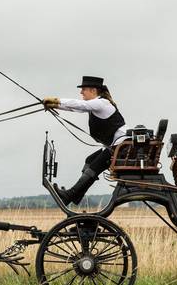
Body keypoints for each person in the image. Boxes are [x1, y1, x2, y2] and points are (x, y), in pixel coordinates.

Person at [42, 76, 127, 205]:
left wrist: (56, 100)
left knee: (94, 166)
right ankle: (76, 195)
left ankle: (70, 195)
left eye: (84, 89)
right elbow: (75, 108)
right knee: (90, 160)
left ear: (93, 90)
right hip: (116, 146)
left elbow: (80, 105)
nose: (81, 92)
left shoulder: (102, 103)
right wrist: (56, 105)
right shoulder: (97, 105)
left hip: (120, 147)